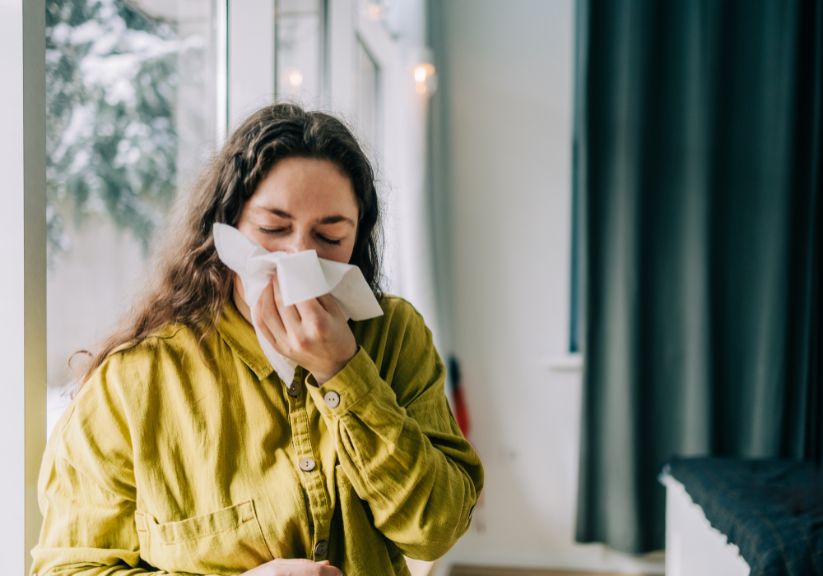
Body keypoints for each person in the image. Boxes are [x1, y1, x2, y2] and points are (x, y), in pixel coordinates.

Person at [31, 103, 483, 576]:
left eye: (330, 236)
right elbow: (70, 568)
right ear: (224, 230)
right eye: (273, 229)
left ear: (357, 241)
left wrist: (344, 372)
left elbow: (436, 531)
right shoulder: (132, 384)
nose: (299, 258)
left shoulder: (394, 335)